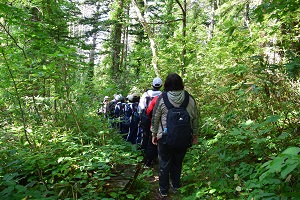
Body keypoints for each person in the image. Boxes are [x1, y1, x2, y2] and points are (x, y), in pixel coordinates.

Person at [151, 73, 198, 197]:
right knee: (178, 163)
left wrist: (154, 134)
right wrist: (195, 134)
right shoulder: (189, 98)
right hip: (183, 138)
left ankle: (163, 190)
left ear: (166, 84)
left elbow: (155, 117)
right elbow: (195, 118)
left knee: (164, 163)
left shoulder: (162, 98)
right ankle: (176, 186)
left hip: (164, 137)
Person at [138, 77, 163, 154]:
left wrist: (141, 116)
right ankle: (154, 154)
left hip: (146, 117)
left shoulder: (146, 94)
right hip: (157, 119)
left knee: (145, 135)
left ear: (152, 85)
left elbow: (141, 107)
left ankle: (144, 152)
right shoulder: (162, 95)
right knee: (155, 136)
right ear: (161, 86)